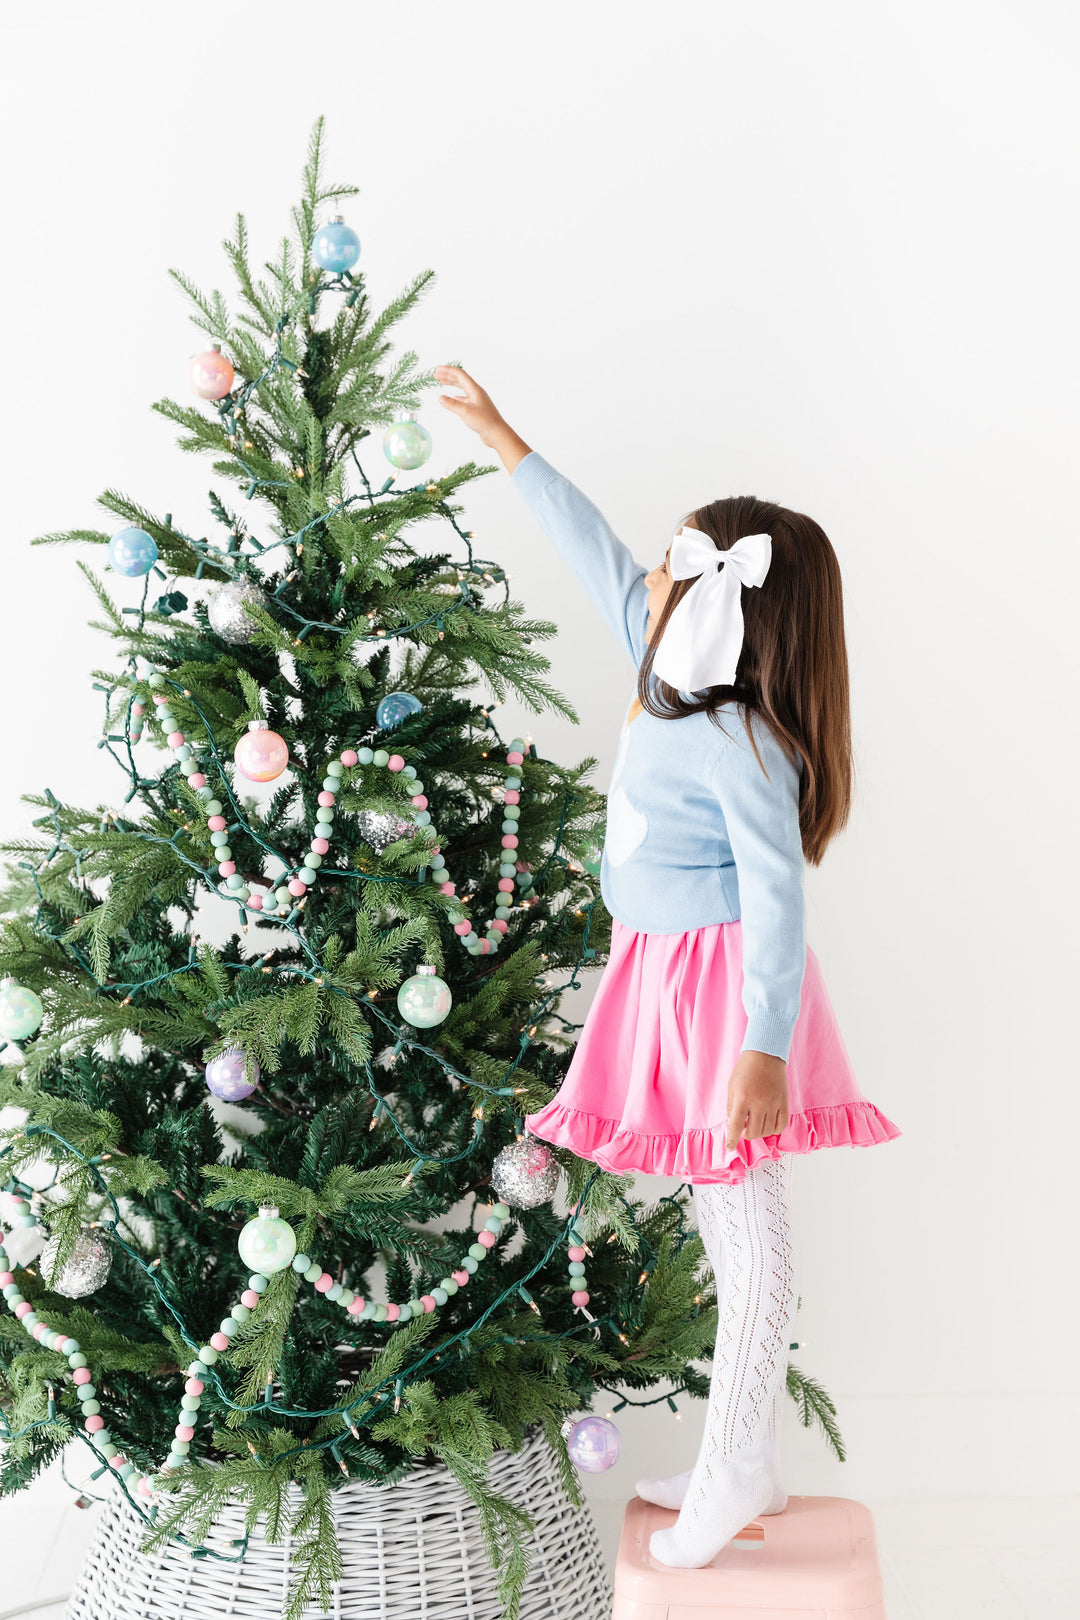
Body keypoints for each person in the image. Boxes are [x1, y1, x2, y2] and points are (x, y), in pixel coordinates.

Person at [433, 364, 902, 1569]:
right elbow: (591, 549)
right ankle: (744, 1453)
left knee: (744, 1221)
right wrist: (507, 442)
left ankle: (741, 1454)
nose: (644, 577)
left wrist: (760, 1044)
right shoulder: (661, 676)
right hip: (662, 979)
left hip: (721, 992)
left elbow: (778, 901)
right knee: (718, 1212)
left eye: (674, 568)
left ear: (721, 610)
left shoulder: (744, 740)